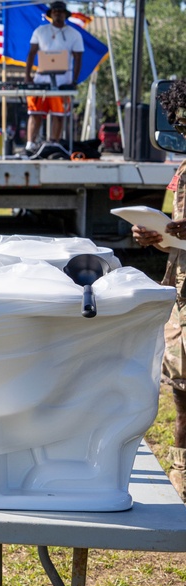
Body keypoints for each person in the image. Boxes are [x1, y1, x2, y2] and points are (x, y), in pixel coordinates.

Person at [131, 78, 186, 503]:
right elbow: (177, 234)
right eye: (178, 123)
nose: (180, 131)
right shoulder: (183, 171)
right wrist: (157, 237)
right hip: (182, 291)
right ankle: (183, 485)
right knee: (182, 393)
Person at [24, 0, 83, 152]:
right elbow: (31, 53)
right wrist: (27, 76)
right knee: (35, 112)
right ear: (51, 14)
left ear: (65, 14)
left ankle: (54, 143)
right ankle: (30, 143)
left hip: (63, 80)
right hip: (41, 79)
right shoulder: (40, 31)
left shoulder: (74, 34)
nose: (58, 14)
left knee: (59, 114)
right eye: (55, 12)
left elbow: (78, 59)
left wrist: (74, 80)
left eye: (60, 12)